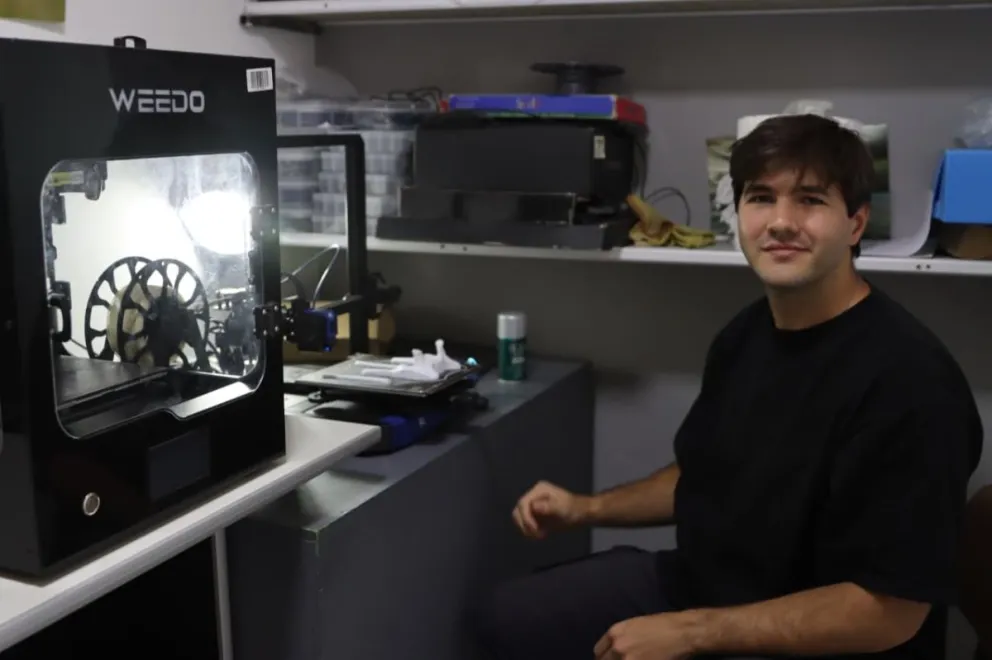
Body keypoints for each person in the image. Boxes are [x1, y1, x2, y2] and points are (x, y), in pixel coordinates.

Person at [471, 114, 984, 660]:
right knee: (506, 618)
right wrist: (585, 509)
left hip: (822, 640)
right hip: (706, 591)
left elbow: (891, 612)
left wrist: (692, 632)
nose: (781, 222)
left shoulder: (910, 383)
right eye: (761, 198)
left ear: (856, 224)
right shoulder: (747, 335)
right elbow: (708, 474)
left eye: (810, 200)